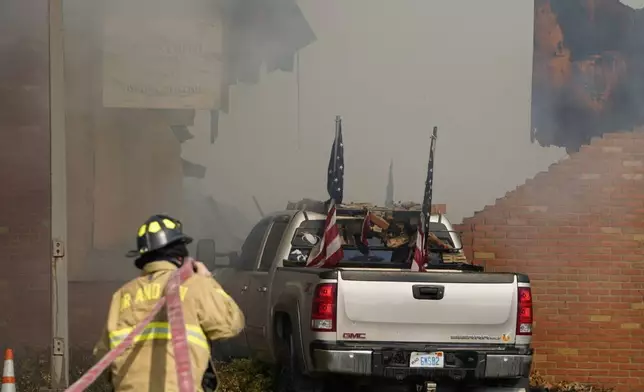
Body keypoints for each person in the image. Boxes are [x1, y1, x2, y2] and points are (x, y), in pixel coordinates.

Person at [93, 214, 245, 392]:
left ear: (144, 259)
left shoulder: (122, 296)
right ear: (180, 255)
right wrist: (209, 280)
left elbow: (103, 358)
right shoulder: (195, 285)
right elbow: (231, 324)